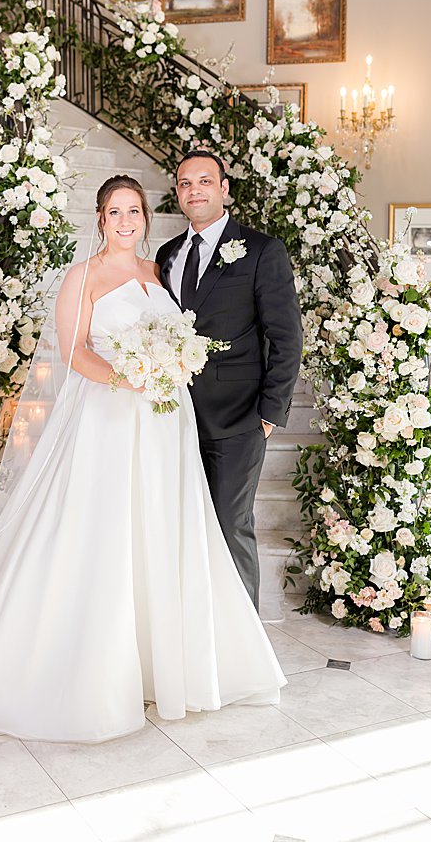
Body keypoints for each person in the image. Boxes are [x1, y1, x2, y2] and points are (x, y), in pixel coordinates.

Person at [0, 175, 285, 743]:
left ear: (145, 218)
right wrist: (130, 377)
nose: (127, 221)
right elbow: (75, 353)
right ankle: (95, 669)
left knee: (161, 531)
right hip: (108, 418)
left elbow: (184, 338)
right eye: (116, 212)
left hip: (165, 424)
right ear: (101, 218)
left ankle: (165, 661)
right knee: (103, 534)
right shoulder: (80, 277)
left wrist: (170, 367)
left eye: (135, 210)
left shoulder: (158, 272)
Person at [155, 150, 304, 607]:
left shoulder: (262, 250)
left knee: (229, 522)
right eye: (184, 183)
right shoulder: (166, 255)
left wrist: (269, 414)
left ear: (224, 189)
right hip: (173, 415)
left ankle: (244, 645)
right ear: (178, 193)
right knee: (182, 525)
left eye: (204, 181)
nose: (194, 189)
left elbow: (286, 336)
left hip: (240, 418)